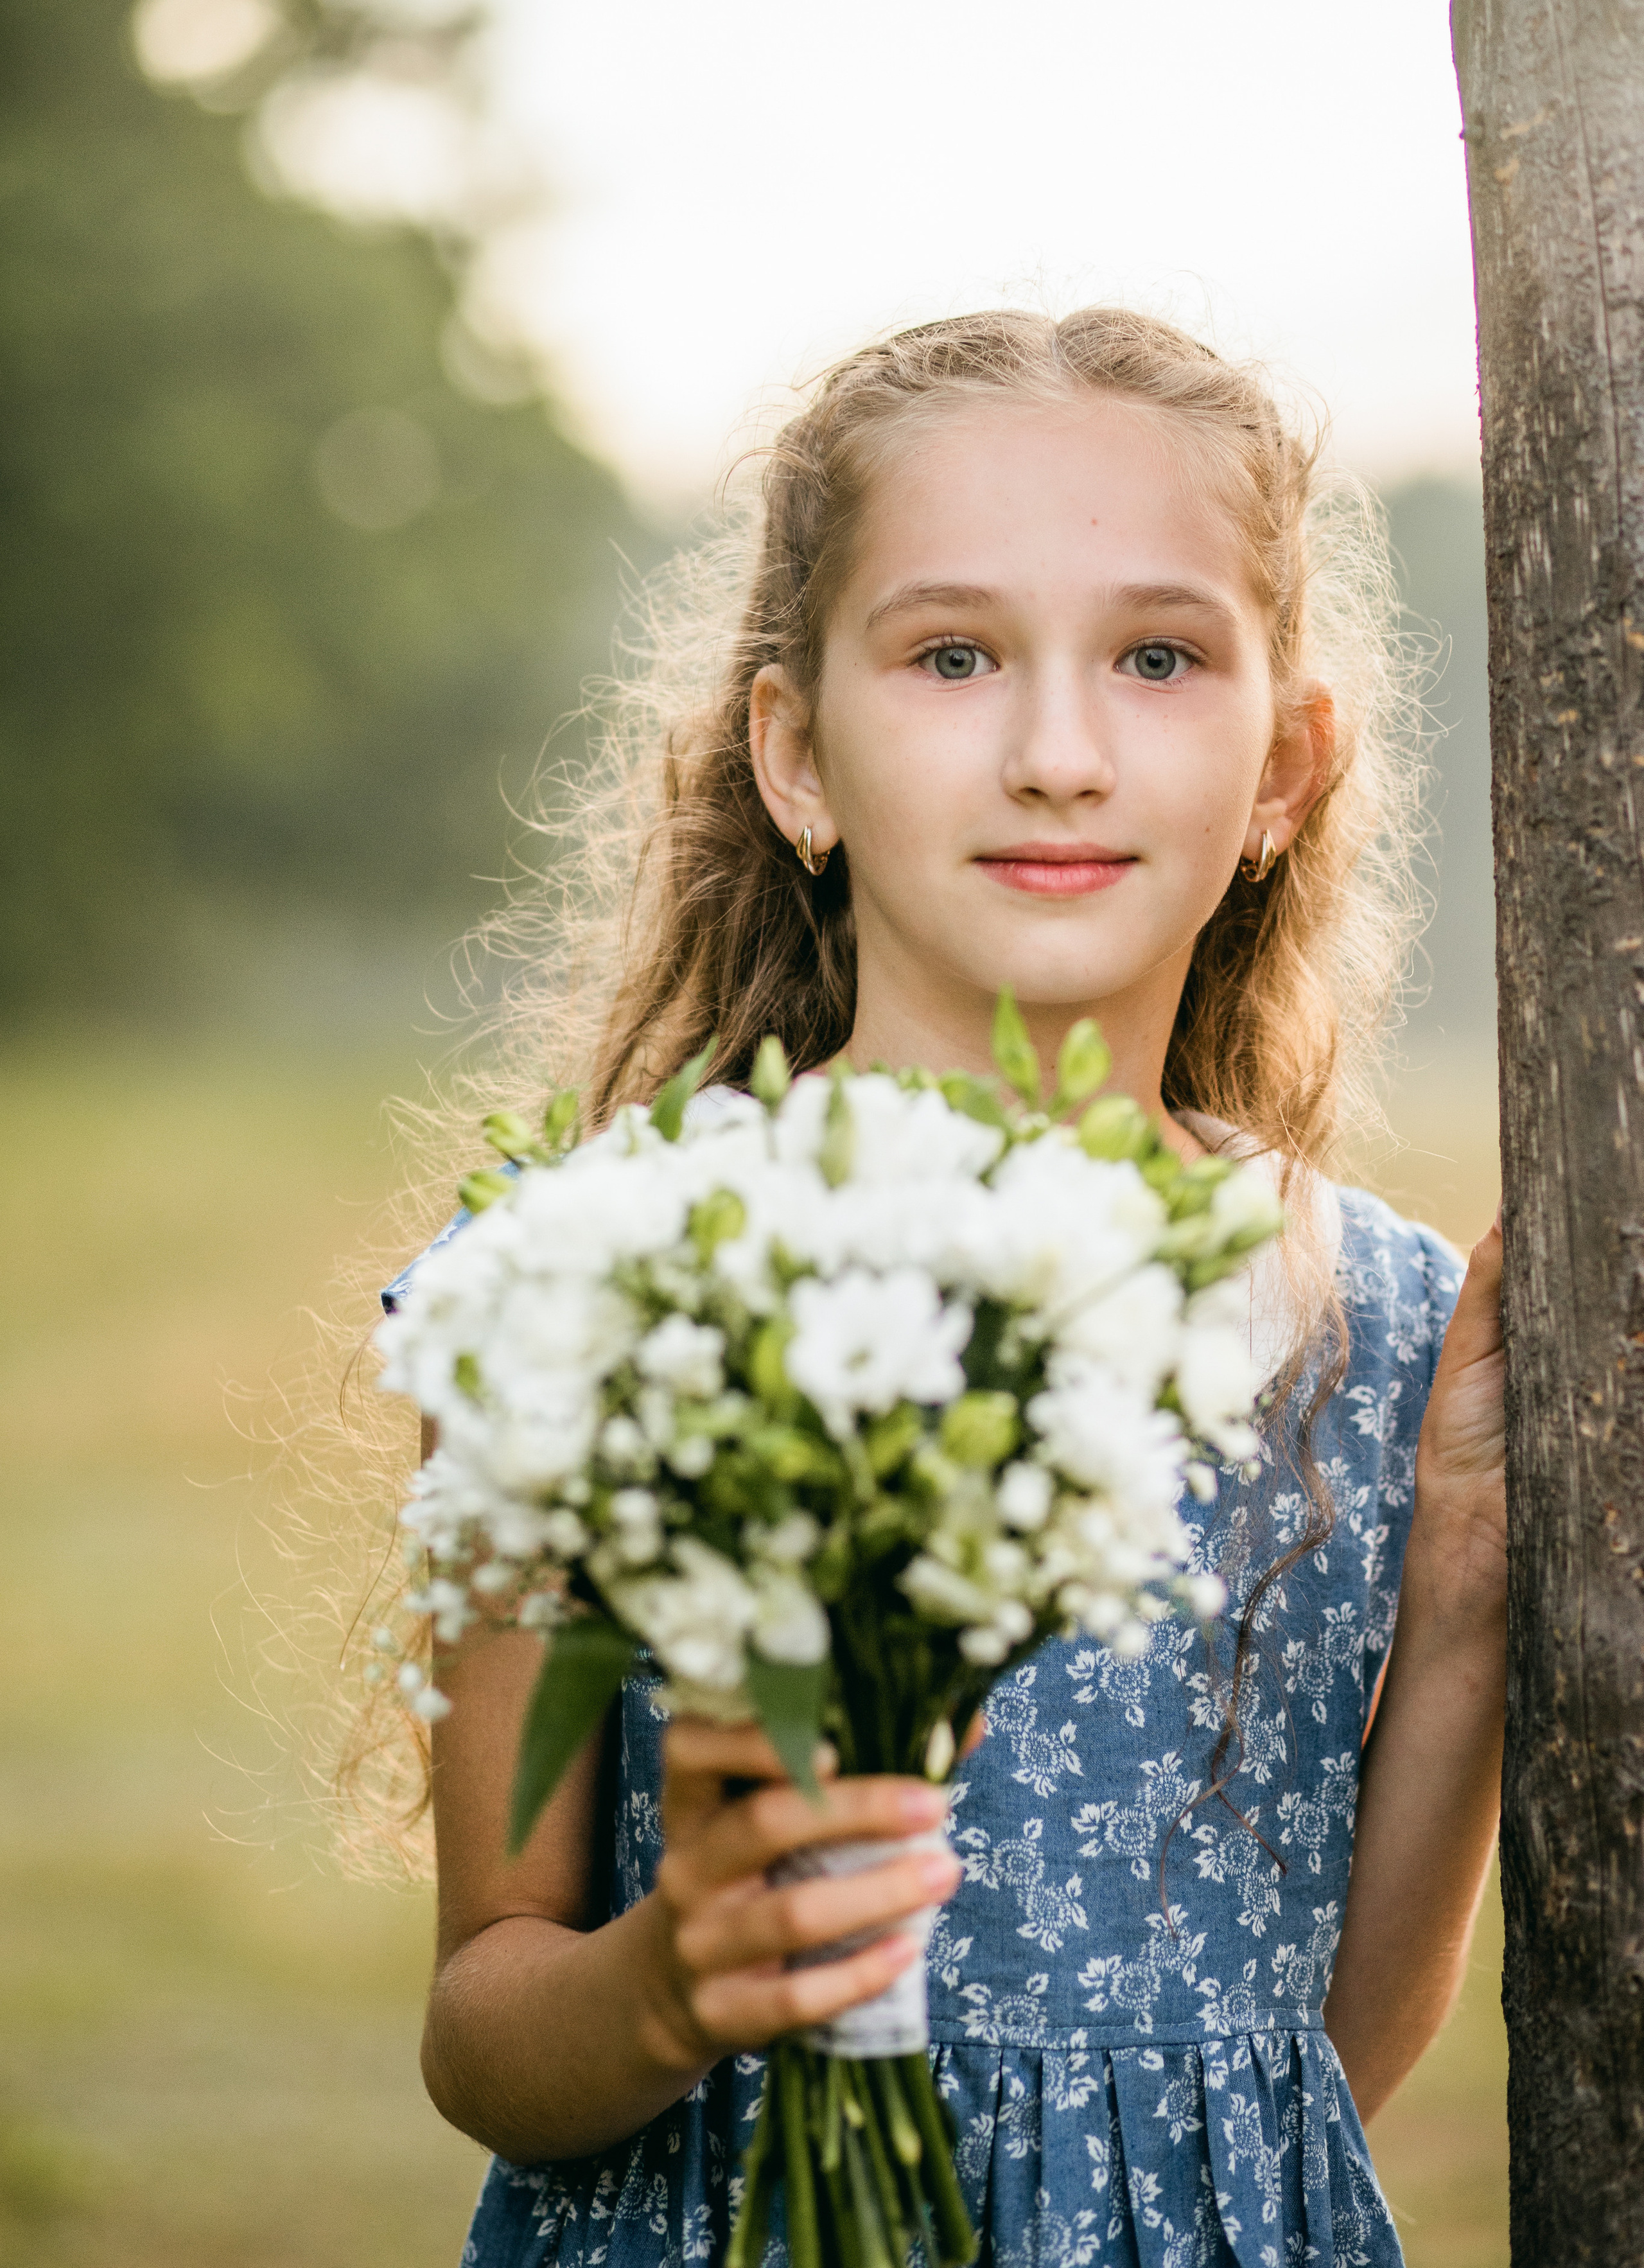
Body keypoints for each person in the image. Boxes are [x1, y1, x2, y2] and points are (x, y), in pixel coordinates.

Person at [385, 308, 1505, 2268]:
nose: (1059, 757)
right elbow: (487, 2020)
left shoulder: (1383, 1327)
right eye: (955, 656)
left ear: (1285, 770)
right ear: (796, 754)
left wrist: (1475, 1592)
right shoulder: (601, 1282)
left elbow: (1301, 2072)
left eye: (1159, 660)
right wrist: (676, 1980)